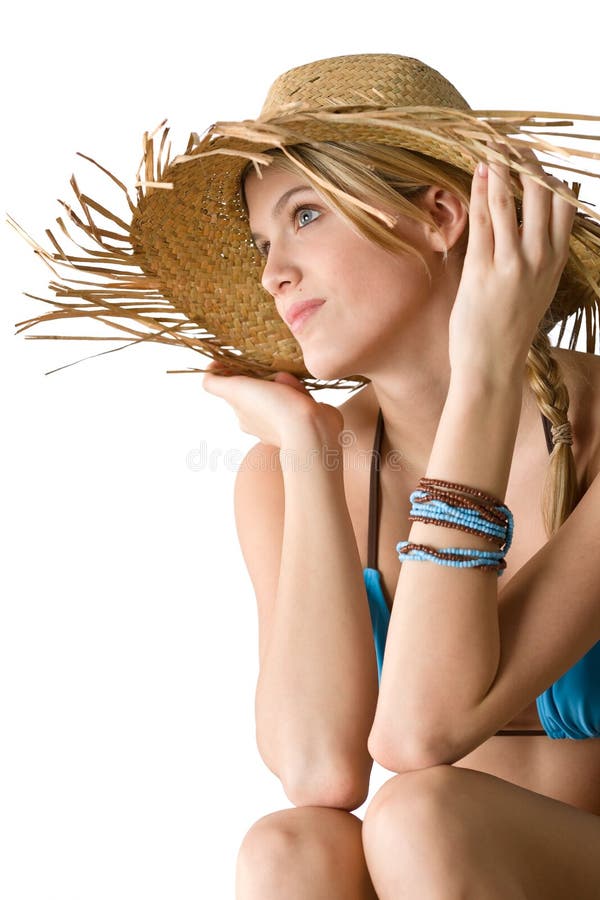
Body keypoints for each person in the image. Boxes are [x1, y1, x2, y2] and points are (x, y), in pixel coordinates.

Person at [15, 54, 600, 898]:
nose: (271, 273)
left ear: (439, 215)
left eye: (307, 215)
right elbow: (320, 771)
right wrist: (303, 447)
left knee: (418, 816)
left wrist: (485, 374)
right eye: (262, 243)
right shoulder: (287, 474)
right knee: (286, 847)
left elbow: (418, 736)